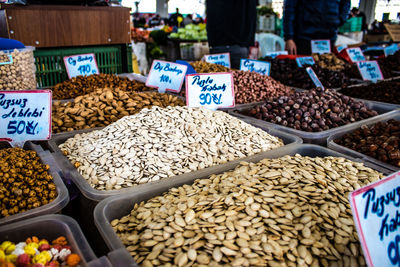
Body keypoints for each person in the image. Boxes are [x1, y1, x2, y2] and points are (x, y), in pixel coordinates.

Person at [283, 0, 351, 55]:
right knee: (303, 68)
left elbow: (346, 3)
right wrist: (289, 38)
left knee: (326, 66)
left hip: (329, 36)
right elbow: (289, 9)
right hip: (304, 38)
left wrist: (340, 19)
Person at [206, 0, 257, 69]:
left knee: (218, 77)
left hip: (218, 45)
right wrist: (251, 43)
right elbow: (251, 14)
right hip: (239, 45)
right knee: (241, 77)